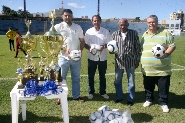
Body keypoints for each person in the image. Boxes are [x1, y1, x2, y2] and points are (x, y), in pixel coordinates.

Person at [140, 15, 176, 113]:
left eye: (153, 22)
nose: (151, 24)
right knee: (148, 86)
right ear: (147, 23)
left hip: (163, 69)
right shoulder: (145, 34)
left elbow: (172, 46)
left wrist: (166, 54)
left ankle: (163, 103)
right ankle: (149, 99)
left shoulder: (165, 33)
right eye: (149, 22)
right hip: (147, 69)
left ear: (157, 22)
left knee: (163, 87)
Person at [54, 9, 85, 104]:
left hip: (76, 58)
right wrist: (64, 49)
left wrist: (80, 50)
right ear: (62, 16)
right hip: (63, 58)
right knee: (61, 78)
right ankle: (60, 97)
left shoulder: (78, 27)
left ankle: (76, 96)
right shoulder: (58, 27)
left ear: (72, 16)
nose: (67, 17)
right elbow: (55, 41)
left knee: (76, 78)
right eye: (65, 15)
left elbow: (82, 41)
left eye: (69, 15)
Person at [111, 19, 141, 106]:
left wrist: (137, 60)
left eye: (124, 25)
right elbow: (112, 47)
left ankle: (130, 99)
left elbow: (138, 48)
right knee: (117, 80)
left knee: (131, 81)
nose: (123, 27)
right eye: (121, 25)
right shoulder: (114, 34)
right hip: (119, 61)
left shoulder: (133, 33)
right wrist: (111, 51)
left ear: (128, 25)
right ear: (118, 25)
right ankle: (119, 97)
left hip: (131, 61)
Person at [84, 15, 111, 100]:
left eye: (98, 20)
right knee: (91, 76)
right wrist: (90, 49)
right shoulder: (89, 32)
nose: (96, 22)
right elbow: (85, 44)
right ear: (92, 22)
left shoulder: (105, 31)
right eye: (94, 21)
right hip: (92, 58)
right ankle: (91, 92)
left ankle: (103, 92)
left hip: (102, 58)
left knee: (102, 76)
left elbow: (109, 44)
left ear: (100, 21)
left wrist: (104, 46)